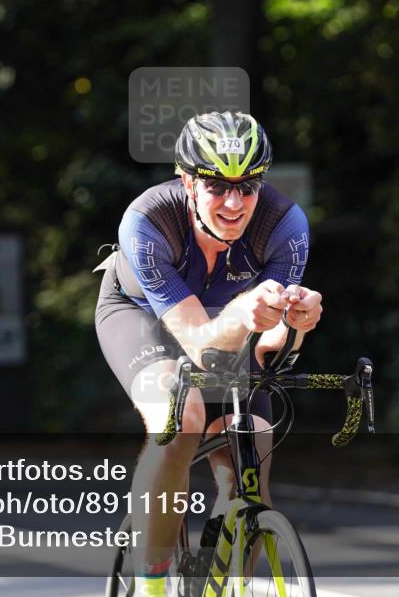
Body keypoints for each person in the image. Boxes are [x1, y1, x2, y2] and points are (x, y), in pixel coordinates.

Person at [94, 111, 323, 596]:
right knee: (182, 420)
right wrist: (244, 314)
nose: (235, 202)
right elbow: (197, 342)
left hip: (229, 323)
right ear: (186, 180)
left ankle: (224, 582)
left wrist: (295, 323)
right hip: (145, 318)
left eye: (249, 185)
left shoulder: (286, 226)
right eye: (216, 186)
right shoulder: (148, 222)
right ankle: (152, 585)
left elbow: (267, 350)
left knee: (252, 452)